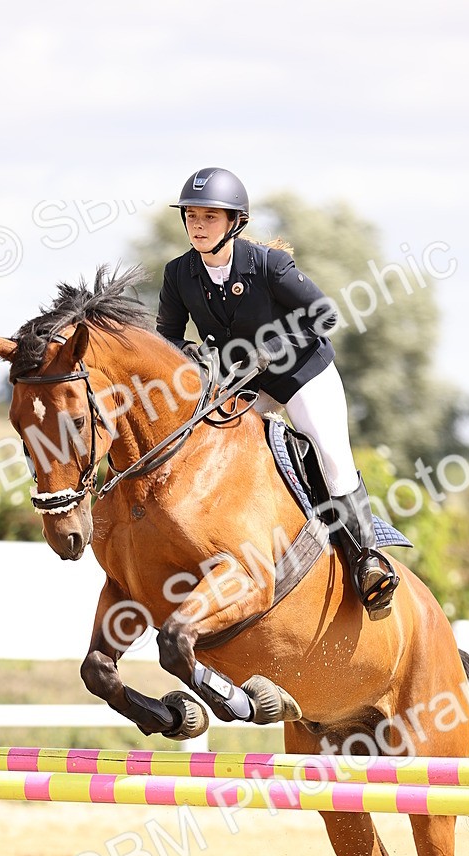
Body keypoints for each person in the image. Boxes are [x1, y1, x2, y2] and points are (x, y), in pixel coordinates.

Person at [156, 166, 399, 618]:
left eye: (211, 216)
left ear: (235, 222)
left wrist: (272, 348)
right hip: (246, 385)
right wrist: (186, 354)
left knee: (330, 454)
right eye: (192, 215)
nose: (199, 225)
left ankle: (367, 560)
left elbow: (324, 315)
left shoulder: (268, 265)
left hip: (303, 375)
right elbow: (166, 334)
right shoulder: (178, 274)